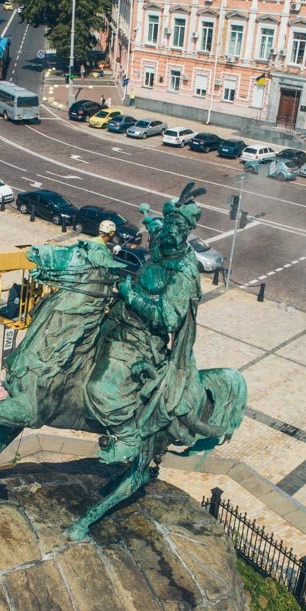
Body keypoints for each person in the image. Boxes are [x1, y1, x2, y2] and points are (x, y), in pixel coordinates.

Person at [84, 186, 205, 466]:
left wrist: (131, 295)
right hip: (118, 318)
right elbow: (156, 228)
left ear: (187, 230)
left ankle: (128, 438)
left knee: (100, 388)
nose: (170, 231)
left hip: (143, 339)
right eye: (170, 223)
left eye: (177, 225)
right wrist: (147, 215)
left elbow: (168, 318)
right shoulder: (165, 241)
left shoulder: (184, 271)